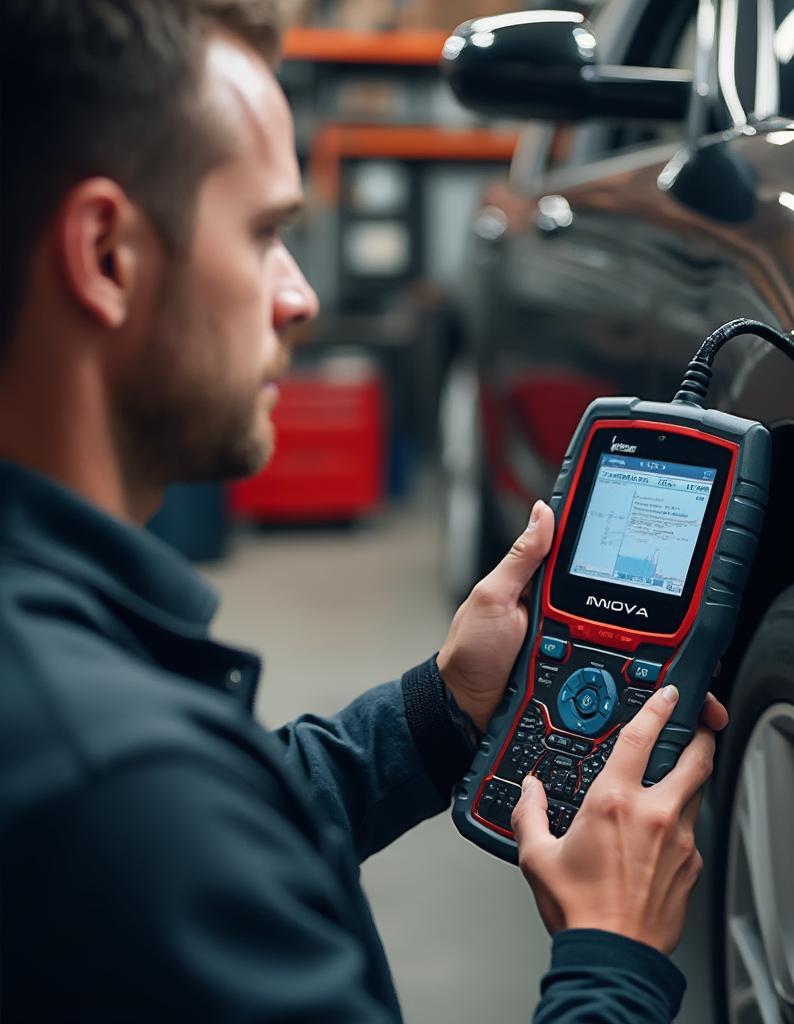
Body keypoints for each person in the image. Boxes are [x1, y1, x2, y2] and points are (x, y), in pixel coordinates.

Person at [0, 2, 727, 1021]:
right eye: (265, 236)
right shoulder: (119, 782)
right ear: (108, 256)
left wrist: (438, 711)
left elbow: (224, 830)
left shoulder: (86, 714)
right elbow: (173, 828)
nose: (298, 296)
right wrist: (611, 956)